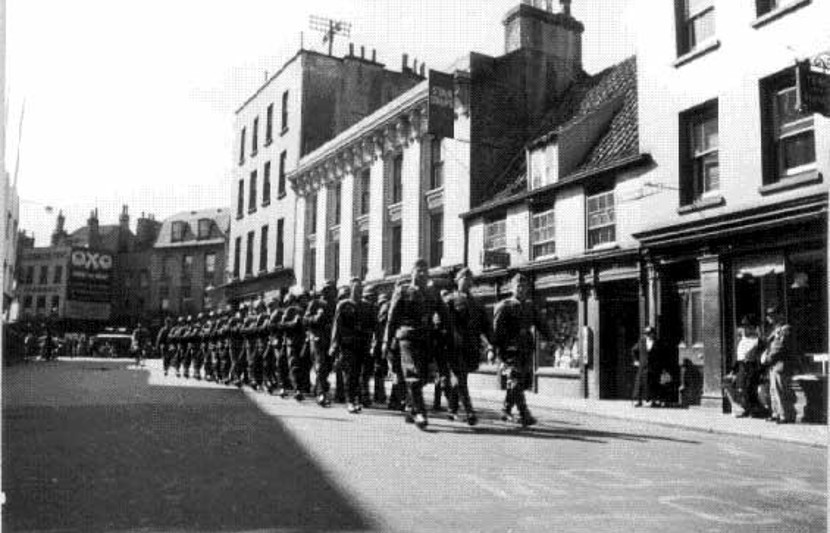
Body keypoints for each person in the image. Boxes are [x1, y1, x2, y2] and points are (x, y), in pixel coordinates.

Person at [384, 259, 450, 429]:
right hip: (407, 338)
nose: (422, 274)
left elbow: (444, 315)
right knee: (413, 374)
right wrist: (386, 341)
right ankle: (420, 412)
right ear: (412, 272)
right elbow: (392, 319)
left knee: (423, 377)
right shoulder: (403, 291)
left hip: (426, 338)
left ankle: (411, 407)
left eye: (425, 271)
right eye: (418, 270)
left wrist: (449, 334)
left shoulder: (432, 293)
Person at [493, 273, 546, 426]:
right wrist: (494, 348)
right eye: (518, 286)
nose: (521, 289)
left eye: (524, 286)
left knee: (519, 382)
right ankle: (525, 414)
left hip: (526, 349)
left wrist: (550, 338)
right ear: (512, 288)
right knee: (515, 380)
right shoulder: (504, 306)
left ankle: (505, 409)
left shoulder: (530, 306)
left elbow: (541, 324)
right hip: (509, 349)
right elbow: (495, 330)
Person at [446, 268, 494, 426]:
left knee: (460, 379)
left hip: (471, 347)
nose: (466, 281)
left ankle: (452, 410)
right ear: (457, 280)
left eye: (469, 279)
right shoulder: (450, 300)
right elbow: (441, 323)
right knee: (460, 379)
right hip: (454, 346)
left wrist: (491, 345)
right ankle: (469, 412)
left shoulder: (477, 303)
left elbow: (486, 326)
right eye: (463, 278)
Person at [330, 277, 376, 413]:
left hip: (363, 344)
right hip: (348, 344)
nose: (358, 292)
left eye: (360, 289)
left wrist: (375, 342)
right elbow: (336, 326)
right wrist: (334, 345)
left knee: (362, 373)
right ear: (351, 290)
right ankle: (350, 401)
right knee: (351, 373)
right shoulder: (343, 305)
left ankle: (358, 398)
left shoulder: (367, 306)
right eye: (355, 289)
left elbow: (375, 326)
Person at [762, 305, 797, 424]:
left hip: (781, 364)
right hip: (774, 364)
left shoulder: (785, 329)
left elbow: (779, 347)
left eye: (772, 315)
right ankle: (776, 413)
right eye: (768, 315)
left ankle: (785, 415)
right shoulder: (775, 330)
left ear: (780, 315)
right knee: (773, 390)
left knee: (781, 389)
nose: (769, 318)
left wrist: (767, 358)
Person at [305, 282, 336, 406]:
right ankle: (321, 393)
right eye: (328, 290)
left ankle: (319, 386)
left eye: (332, 290)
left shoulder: (335, 304)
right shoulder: (315, 303)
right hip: (317, 338)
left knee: (328, 366)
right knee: (321, 365)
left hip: (330, 339)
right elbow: (305, 320)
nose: (331, 292)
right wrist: (316, 317)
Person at [732, 315, 764, 418]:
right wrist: (734, 370)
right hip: (741, 366)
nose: (745, 330)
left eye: (748, 327)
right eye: (744, 327)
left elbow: (760, 355)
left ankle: (755, 410)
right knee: (741, 388)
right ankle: (746, 409)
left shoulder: (757, 340)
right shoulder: (742, 340)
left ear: (753, 328)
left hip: (752, 366)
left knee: (751, 389)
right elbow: (738, 356)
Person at [632, 326, 665, 408]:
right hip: (643, 366)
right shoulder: (642, 341)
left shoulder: (657, 343)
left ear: (653, 334)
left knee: (653, 384)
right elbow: (634, 350)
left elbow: (662, 355)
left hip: (654, 367)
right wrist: (636, 360)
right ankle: (637, 400)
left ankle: (653, 400)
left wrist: (661, 366)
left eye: (650, 334)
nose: (648, 336)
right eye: (646, 334)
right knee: (640, 384)